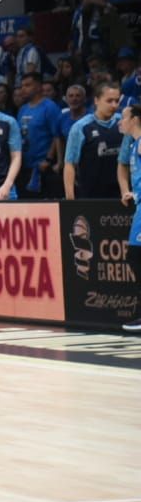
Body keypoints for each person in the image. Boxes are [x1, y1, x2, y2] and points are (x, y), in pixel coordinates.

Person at [64, 81, 125, 200]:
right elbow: (70, 164)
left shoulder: (124, 123)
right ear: (96, 100)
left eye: (117, 101)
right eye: (109, 101)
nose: (114, 105)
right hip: (91, 196)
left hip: (121, 195)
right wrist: (70, 198)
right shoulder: (81, 127)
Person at [16, 72, 63, 198]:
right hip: (25, 166)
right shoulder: (22, 109)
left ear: (38, 87)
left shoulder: (50, 107)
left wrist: (49, 159)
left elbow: (57, 135)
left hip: (43, 167)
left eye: (27, 85)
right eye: (22, 86)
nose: (23, 89)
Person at [118, 104, 141, 332]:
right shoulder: (134, 144)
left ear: (134, 119)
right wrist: (135, 193)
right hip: (139, 205)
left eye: (123, 117)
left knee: (136, 255)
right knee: (135, 256)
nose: (120, 121)